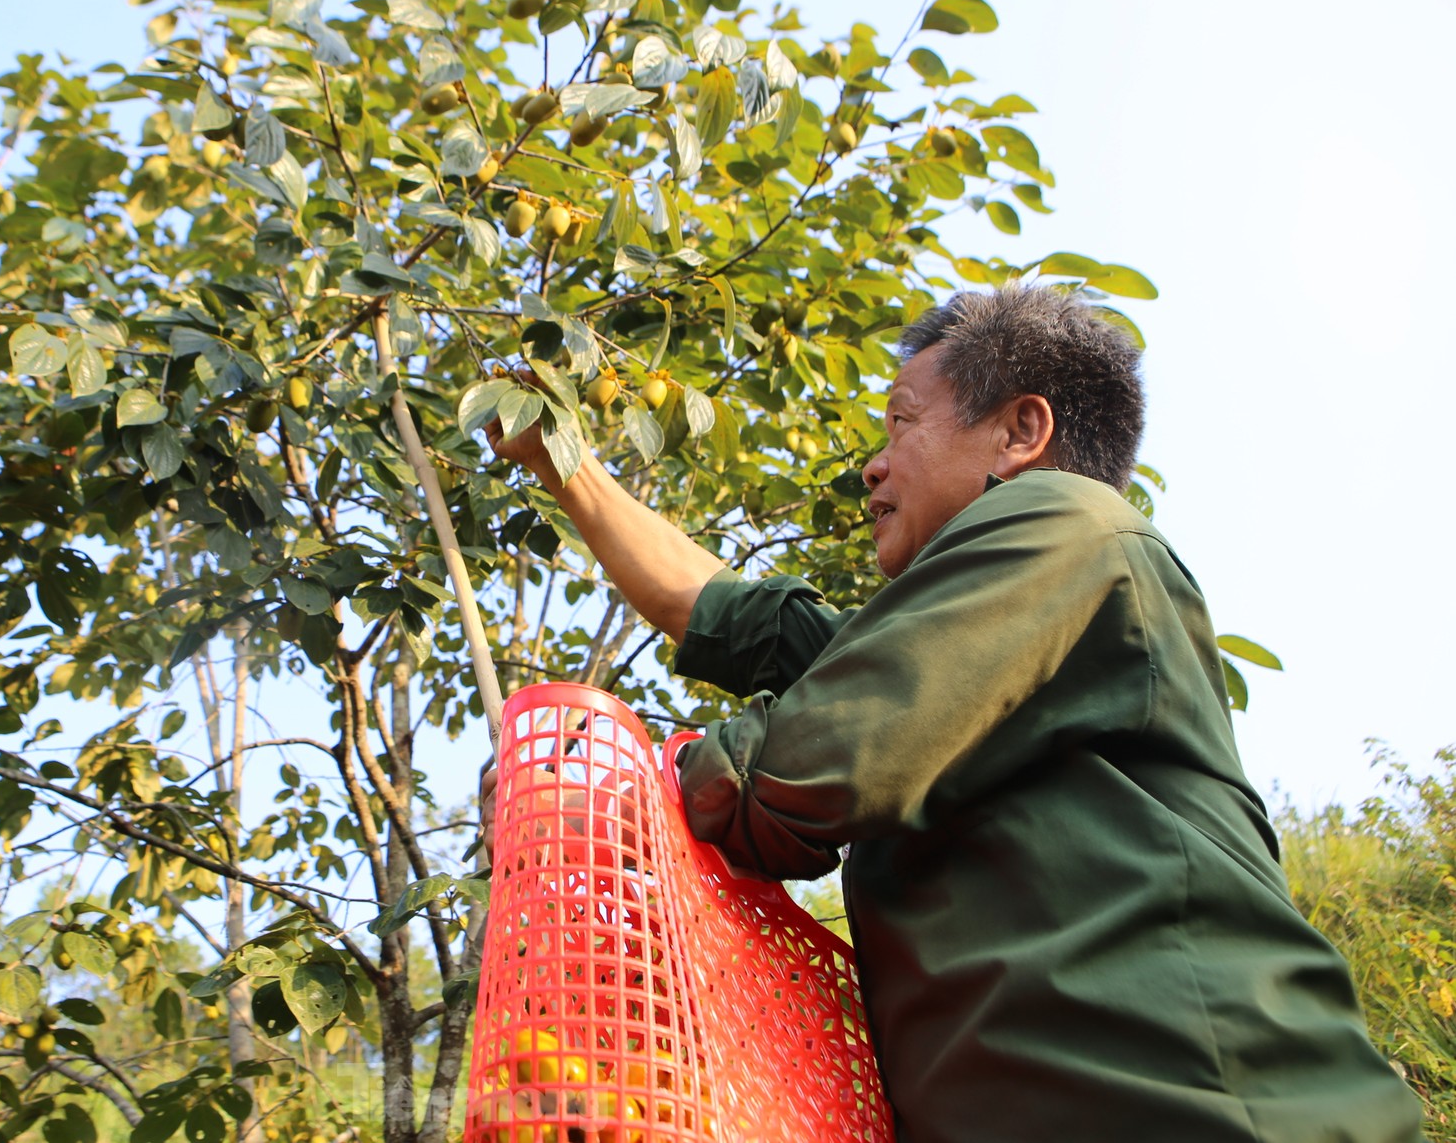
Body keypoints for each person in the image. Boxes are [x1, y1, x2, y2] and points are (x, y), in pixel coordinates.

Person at [480, 286, 1422, 1142]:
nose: (874, 466)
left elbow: (821, 755)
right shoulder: (969, 658)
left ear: (1020, 434)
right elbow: (728, 614)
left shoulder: (1075, 524)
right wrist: (565, 461)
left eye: (900, 423)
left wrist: (606, 802)